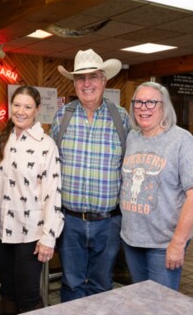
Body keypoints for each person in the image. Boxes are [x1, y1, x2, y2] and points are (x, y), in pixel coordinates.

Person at [50, 49, 130, 302]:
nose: (87, 84)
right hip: (70, 221)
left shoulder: (122, 117)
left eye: (93, 77)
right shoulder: (63, 117)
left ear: (104, 80)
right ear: (74, 83)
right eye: (80, 78)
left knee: (102, 284)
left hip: (108, 222)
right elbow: (50, 165)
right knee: (71, 284)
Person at [119, 81, 193, 291]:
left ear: (164, 106)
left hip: (163, 243)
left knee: (161, 305)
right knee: (141, 299)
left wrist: (178, 243)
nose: (143, 107)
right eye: (138, 102)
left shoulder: (181, 140)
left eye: (151, 102)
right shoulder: (132, 137)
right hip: (132, 239)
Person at [0, 85, 64, 314]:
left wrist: (48, 238)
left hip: (30, 234)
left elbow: (53, 194)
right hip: (0, 230)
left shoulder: (46, 146)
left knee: (28, 294)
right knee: (8, 290)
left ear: (37, 110)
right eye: (17, 105)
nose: (21, 111)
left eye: (28, 107)